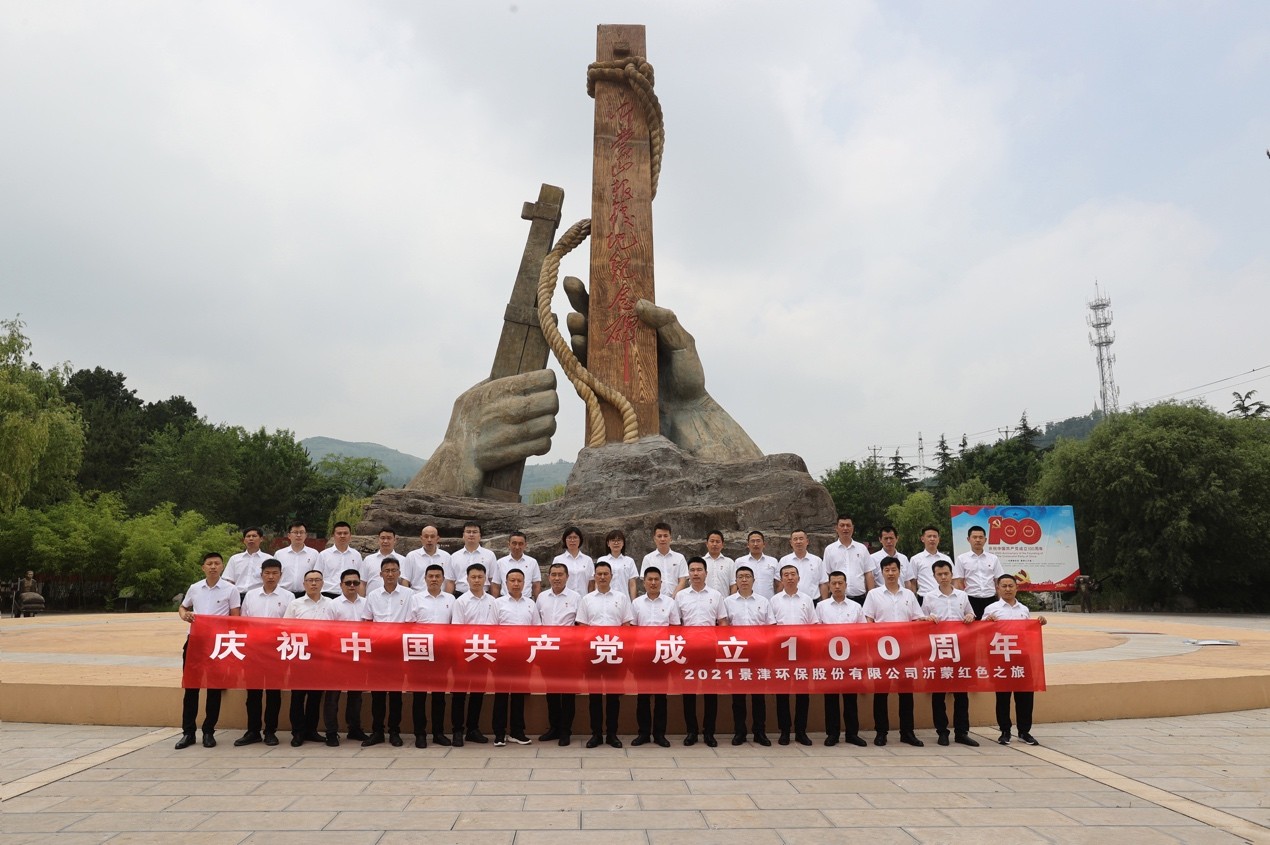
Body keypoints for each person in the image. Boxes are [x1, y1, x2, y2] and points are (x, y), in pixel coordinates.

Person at [863, 556, 933, 747]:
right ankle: (881, 732)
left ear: (899, 571)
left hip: (905, 651)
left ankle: (907, 732)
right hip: (881, 651)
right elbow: (868, 620)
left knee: (906, 692)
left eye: (894, 570)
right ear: (882, 572)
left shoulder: (909, 595)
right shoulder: (874, 594)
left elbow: (916, 618)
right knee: (881, 693)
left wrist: (926, 620)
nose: (891, 573)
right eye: (887, 570)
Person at [175, 552, 241, 749]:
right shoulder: (195, 588)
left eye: (217, 563)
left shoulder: (231, 589)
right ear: (203, 567)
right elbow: (183, 607)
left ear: (222, 567)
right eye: (209, 563)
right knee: (191, 688)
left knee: (214, 689)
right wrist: (184, 615)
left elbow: (235, 618)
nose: (213, 567)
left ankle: (208, 731)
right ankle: (188, 733)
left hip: (218, 644)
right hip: (195, 641)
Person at [984, 573, 1047, 746]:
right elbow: (981, 633)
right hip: (1001, 658)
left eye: (1011, 586)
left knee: (1025, 696)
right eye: (1003, 586)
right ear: (997, 589)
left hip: (1022, 657)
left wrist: (1039, 623)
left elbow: (1028, 632)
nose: (1007, 589)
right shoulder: (991, 609)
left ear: (1017, 588)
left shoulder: (1023, 610)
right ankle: (1005, 731)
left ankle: (1024, 731)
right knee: (1003, 696)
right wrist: (987, 623)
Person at [234, 558, 291, 747]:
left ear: (281, 575)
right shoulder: (250, 596)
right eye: (267, 573)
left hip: (277, 651)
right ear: (261, 575)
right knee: (253, 693)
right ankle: (253, 731)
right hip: (254, 650)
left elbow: (290, 625)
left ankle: (270, 731)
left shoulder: (288, 597)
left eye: (275, 573)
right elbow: (243, 622)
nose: (271, 576)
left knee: (274, 693)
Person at [576, 560, 633, 748]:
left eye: (605, 574)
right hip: (593, 652)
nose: (602, 577)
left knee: (613, 696)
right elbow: (582, 626)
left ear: (611, 576)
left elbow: (626, 625)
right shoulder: (587, 599)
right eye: (599, 574)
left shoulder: (622, 598)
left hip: (615, 652)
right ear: (594, 576)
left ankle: (612, 734)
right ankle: (596, 734)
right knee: (594, 696)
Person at [922, 560, 978, 747]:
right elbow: (920, 621)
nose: (944, 577)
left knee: (961, 694)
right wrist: (927, 619)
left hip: (960, 650)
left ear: (952, 574)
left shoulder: (962, 596)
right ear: (934, 576)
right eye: (939, 574)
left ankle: (962, 732)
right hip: (938, 650)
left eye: (946, 573)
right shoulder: (929, 597)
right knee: (938, 694)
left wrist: (970, 617)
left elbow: (970, 615)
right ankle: (942, 731)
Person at [360, 557, 412, 746]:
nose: (390, 574)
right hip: (378, 650)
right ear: (380, 574)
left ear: (399, 573)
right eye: (386, 571)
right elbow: (366, 621)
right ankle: (377, 731)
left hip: (399, 650)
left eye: (394, 570)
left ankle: (394, 731)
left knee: (396, 694)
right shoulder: (373, 595)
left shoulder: (409, 595)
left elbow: (412, 622)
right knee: (378, 694)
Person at [676, 556, 727, 746]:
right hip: (688, 651)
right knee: (688, 692)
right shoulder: (681, 596)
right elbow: (676, 624)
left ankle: (709, 732)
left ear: (706, 573)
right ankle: (691, 731)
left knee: (710, 692)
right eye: (692, 570)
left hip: (709, 649)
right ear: (688, 574)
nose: (696, 573)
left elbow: (722, 622)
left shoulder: (716, 595)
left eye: (699, 570)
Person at [284, 569, 337, 746]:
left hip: (322, 656)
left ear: (323, 583)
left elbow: (338, 629)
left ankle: (311, 730)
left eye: (317, 580)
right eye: (310, 580)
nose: (314, 583)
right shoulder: (295, 604)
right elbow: (286, 628)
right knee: (298, 696)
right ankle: (298, 732)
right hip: (300, 654)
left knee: (315, 696)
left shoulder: (331, 604)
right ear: (304, 584)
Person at [817, 571, 868, 748]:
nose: (837, 586)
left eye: (840, 583)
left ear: (846, 584)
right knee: (830, 698)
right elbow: (816, 632)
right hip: (828, 659)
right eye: (834, 583)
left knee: (850, 698)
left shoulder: (855, 607)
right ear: (829, 585)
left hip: (851, 659)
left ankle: (852, 733)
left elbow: (863, 633)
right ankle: (832, 733)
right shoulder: (821, 606)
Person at [722, 564, 772, 746]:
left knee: (759, 696)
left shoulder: (764, 601)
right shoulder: (728, 602)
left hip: (758, 653)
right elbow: (723, 628)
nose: (744, 580)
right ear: (735, 581)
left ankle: (760, 732)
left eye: (747, 577)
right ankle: (740, 732)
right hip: (737, 654)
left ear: (753, 580)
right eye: (740, 577)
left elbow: (771, 628)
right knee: (738, 696)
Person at [450, 562, 498, 746]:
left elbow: (494, 628)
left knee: (478, 692)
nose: (477, 580)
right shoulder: (460, 601)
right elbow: (457, 630)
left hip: (484, 653)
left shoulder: (493, 601)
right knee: (459, 693)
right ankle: (457, 730)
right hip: (464, 653)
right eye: (473, 577)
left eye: (480, 577)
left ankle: (473, 729)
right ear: (467, 579)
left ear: (485, 579)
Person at [630, 566, 679, 747]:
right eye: (649, 579)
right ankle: (643, 733)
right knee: (642, 696)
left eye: (656, 579)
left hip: (663, 655)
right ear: (644, 583)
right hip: (642, 655)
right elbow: (632, 630)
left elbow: (675, 628)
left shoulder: (669, 603)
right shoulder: (636, 603)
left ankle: (659, 734)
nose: (653, 583)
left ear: (661, 582)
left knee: (661, 697)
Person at [408, 563, 455, 748]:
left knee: (439, 696)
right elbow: (409, 624)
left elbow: (455, 626)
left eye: (438, 576)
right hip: (420, 652)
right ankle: (420, 733)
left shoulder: (451, 599)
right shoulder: (416, 598)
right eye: (431, 576)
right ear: (425, 579)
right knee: (419, 696)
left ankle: (438, 733)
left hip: (442, 653)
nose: (434, 579)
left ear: (443, 579)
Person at [769, 564, 817, 746]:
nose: (789, 578)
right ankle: (785, 731)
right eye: (786, 575)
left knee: (802, 693)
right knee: (782, 693)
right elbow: (771, 627)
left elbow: (813, 625)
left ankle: (801, 731)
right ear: (781, 579)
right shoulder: (774, 600)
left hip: (802, 651)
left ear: (798, 577)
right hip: (781, 652)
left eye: (792, 574)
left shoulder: (807, 599)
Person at [536, 562, 581, 745]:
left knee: (567, 692)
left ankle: (565, 730)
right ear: (548, 577)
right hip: (547, 649)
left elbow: (579, 624)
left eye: (560, 575)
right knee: (551, 691)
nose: (556, 578)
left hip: (568, 651)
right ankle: (554, 727)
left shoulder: (576, 597)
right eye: (553, 574)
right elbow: (537, 623)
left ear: (567, 577)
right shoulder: (541, 597)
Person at [492, 567, 538, 746]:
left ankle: (517, 732)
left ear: (524, 583)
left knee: (519, 694)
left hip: (524, 655)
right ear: (506, 583)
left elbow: (536, 628)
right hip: (502, 655)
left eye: (519, 581)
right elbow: (492, 628)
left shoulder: (530, 604)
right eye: (512, 580)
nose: (516, 584)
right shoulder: (498, 603)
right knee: (501, 695)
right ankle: (498, 733)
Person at [323, 568, 368, 746]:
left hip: (360, 654)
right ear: (341, 585)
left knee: (356, 696)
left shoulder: (366, 603)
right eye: (348, 583)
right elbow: (327, 632)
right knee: (333, 696)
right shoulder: (333, 605)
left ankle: (354, 728)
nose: (352, 586)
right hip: (338, 655)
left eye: (355, 583)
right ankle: (331, 732)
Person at [955, 525, 1005, 619]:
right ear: (968, 539)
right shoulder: (961, 559)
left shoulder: (993, 558)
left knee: (991, 628)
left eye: (981, 537)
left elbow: (998, 581)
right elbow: (959, 582)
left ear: (985, 540)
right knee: (972, 628)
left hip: (990, 599)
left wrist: (1001, 601)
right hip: (971, 599)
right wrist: (962, 601)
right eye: (974, 537)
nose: (978, 540)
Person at [822, 515, 874, 605]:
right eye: (842, 525)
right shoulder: (829, 550)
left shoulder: (862, 548)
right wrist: (825, 601)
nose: (845, 528)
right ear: (836, 528)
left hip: (860, 598)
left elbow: (868, 574)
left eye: (848, 525)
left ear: (853, 528)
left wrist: (871, 597)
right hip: (837, 599)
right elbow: (826, 575)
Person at [447, 521, 497, 596]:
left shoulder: (490, 555)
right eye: (468, 532)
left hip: (483, 595)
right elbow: (450, 581)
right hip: (460, 595)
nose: (471, 534)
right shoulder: (454, 556)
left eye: (475, 532)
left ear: (480, 536)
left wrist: (494, 600)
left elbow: (493, 580)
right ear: (463, 535)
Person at [778, 529, 828, 601]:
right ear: (791, 543)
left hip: (813, 601)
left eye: (801, 539)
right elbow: (780, 584)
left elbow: (823, 583)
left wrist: (824, 603)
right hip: (790, 600)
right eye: (795, 539)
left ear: (807, 541)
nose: (798, 542)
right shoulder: (784, 561)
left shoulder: (817, 561)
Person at [641, 522, 688, 595]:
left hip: (676, 599)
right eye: (659, 536)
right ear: (654, 539)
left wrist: (674, 597)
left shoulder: (680, 558)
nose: (662, 539)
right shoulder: (648, 559)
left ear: (670, 538)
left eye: (665, 536)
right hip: (656, 599)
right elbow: (646, 581)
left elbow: (682, 580)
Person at [909, 525, 951, 607]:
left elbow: (952, 580)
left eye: (935, 536)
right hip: (924, 598)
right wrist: (913, 600)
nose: (932, 539)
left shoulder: (946, 559)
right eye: (929, 536)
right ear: (922, 539)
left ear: (938, 539)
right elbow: (913, 583)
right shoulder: (915, 559)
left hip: (944, 598)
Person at [492, 530, 541, 599]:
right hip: (505, 601)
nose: (517, 547)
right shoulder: (500, 562)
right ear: (509, 544)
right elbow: (496, 585)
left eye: (520, 543)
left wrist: (537, 603)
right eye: (514, 543)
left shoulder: (532, 562)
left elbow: (536, 585)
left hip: (526, 601)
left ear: (525, 545)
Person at [275, 522, 319, 597]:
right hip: (283, 594)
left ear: (306, 535)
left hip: (306, 594)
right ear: (289, 535)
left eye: (301, 532)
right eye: (295, 532)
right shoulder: (279, 554)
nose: (298, 535)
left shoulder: (314, 554)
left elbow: (317, 575)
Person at [318, 522, 362, 597]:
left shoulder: (356, 555)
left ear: (350, 535)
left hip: (350, 594)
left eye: (345, 533)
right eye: (339, 533)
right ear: (333, 536)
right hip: (328, 594)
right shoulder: (324, 555)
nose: (342, 536)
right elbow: (318, 577)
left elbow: (360, 578)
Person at [224, 527, 269, 598]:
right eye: (248, 536)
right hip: (237, 596)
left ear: (261, 539)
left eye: (254, 536)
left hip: (259, 597)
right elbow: (229, 581)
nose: (251, 538)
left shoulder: (268, 559)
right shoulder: (235, 559)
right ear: (244, 540)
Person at [403, 525, 451, 591]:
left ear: (437, 539)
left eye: (432, 536)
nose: (429, 540)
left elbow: (449, 581)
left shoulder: (446, 556)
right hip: (417, 597)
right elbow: (405, 580)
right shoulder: (412, 556)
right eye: (426, 536)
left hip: (440, 598)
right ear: (421, 538)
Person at [734, 531, 779, 599]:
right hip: (746, 601)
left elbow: (778, 584)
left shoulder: (773, 561)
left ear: (764, 544)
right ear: (748, 544)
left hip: (768, 601)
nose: (755, 544)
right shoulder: (739, 561)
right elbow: (735, 584)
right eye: (752, 541)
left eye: (758, 541)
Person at [871, 525, 914, 594]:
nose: (889, 541)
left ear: (897, 539)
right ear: (880, 539)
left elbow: (907, 581)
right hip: (881, 597)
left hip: (901, 596)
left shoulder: (903, 558)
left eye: (891, 538)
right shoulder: (872, 558)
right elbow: (870, 581)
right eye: (886, 538)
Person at [553, 525, 594, 596]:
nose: (572, 540)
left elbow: (591, 583)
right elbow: (554, 581)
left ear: (580, 539)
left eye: (575, 538)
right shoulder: (558, 559)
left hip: (583, 598)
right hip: (564, 599)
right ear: (564, 540)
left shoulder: (587, 560)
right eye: (569, 538)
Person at [597, 529, 638, 599]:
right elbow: (597, 582)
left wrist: (633, 602)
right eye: (613, 540)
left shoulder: (629, 561)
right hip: (605, 599)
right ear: (608, 544)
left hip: (624, 600)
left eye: (619, 540)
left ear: (623, 543)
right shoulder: (602, 560)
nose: (616, 543)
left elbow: (632, 584)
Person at [361, 528, 403, 595]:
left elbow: (404, 582)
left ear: (395, 540)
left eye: (389, 538)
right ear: (378, 540)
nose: (385, 541)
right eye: (382, 538)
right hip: (372, 601)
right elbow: (362, 583)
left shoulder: (402, 560)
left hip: (395, 600)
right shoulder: (368, 559)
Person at [703, 530, 735, 597]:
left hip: (724, 602)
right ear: (706, 544)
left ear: (722, 545)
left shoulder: (729, 562)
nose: (714, 544)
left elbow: (733, 585)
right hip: (704, 603)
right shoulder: (701, 562)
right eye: (712, 541)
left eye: (718, 542)